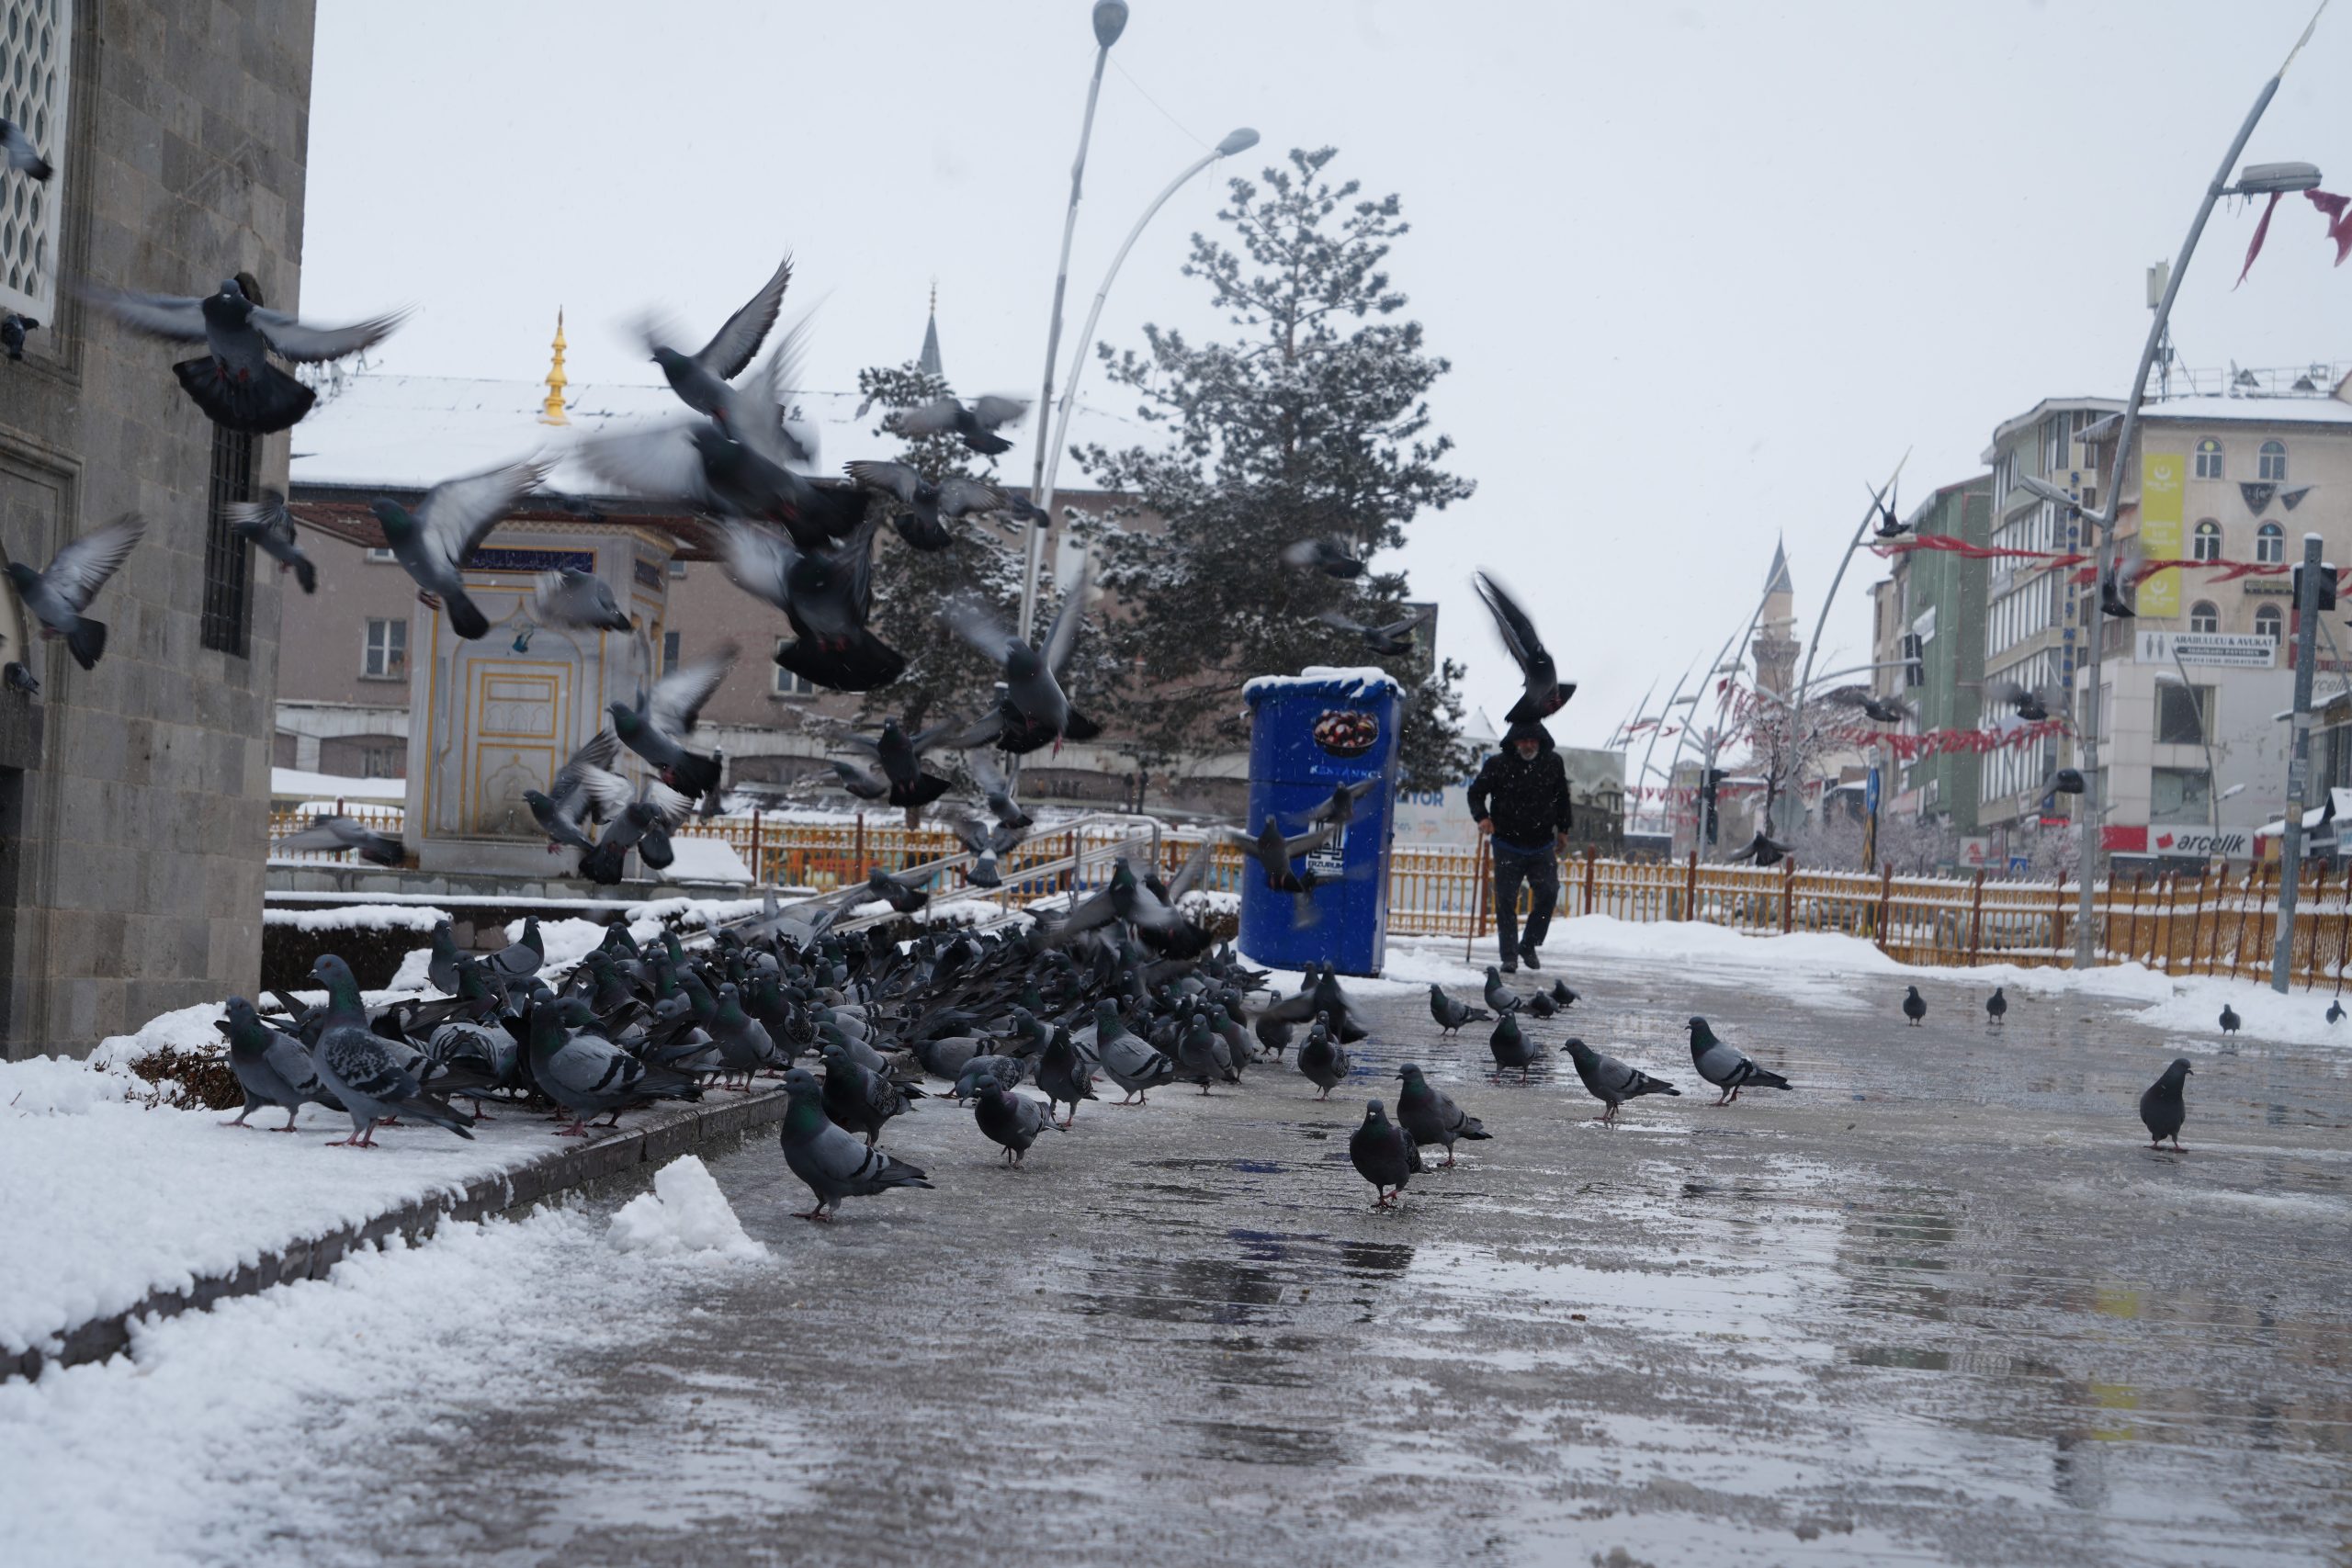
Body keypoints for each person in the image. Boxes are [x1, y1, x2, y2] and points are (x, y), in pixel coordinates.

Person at [1467, 720, 1573, 973]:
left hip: (1541, 843)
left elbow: (1562, 797)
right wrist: (1482, 817)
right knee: (1505, 899)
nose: (1528, 745)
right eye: (1523, 740)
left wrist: (1564, 829)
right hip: (1507, 842)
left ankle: (1529, 943)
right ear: (1514, 742)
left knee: (1548, 892)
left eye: (1533, 740)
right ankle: (1509, 956)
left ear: (1541, 741)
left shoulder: (1552, 763)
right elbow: (1475, 793)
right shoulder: (1498, 765)